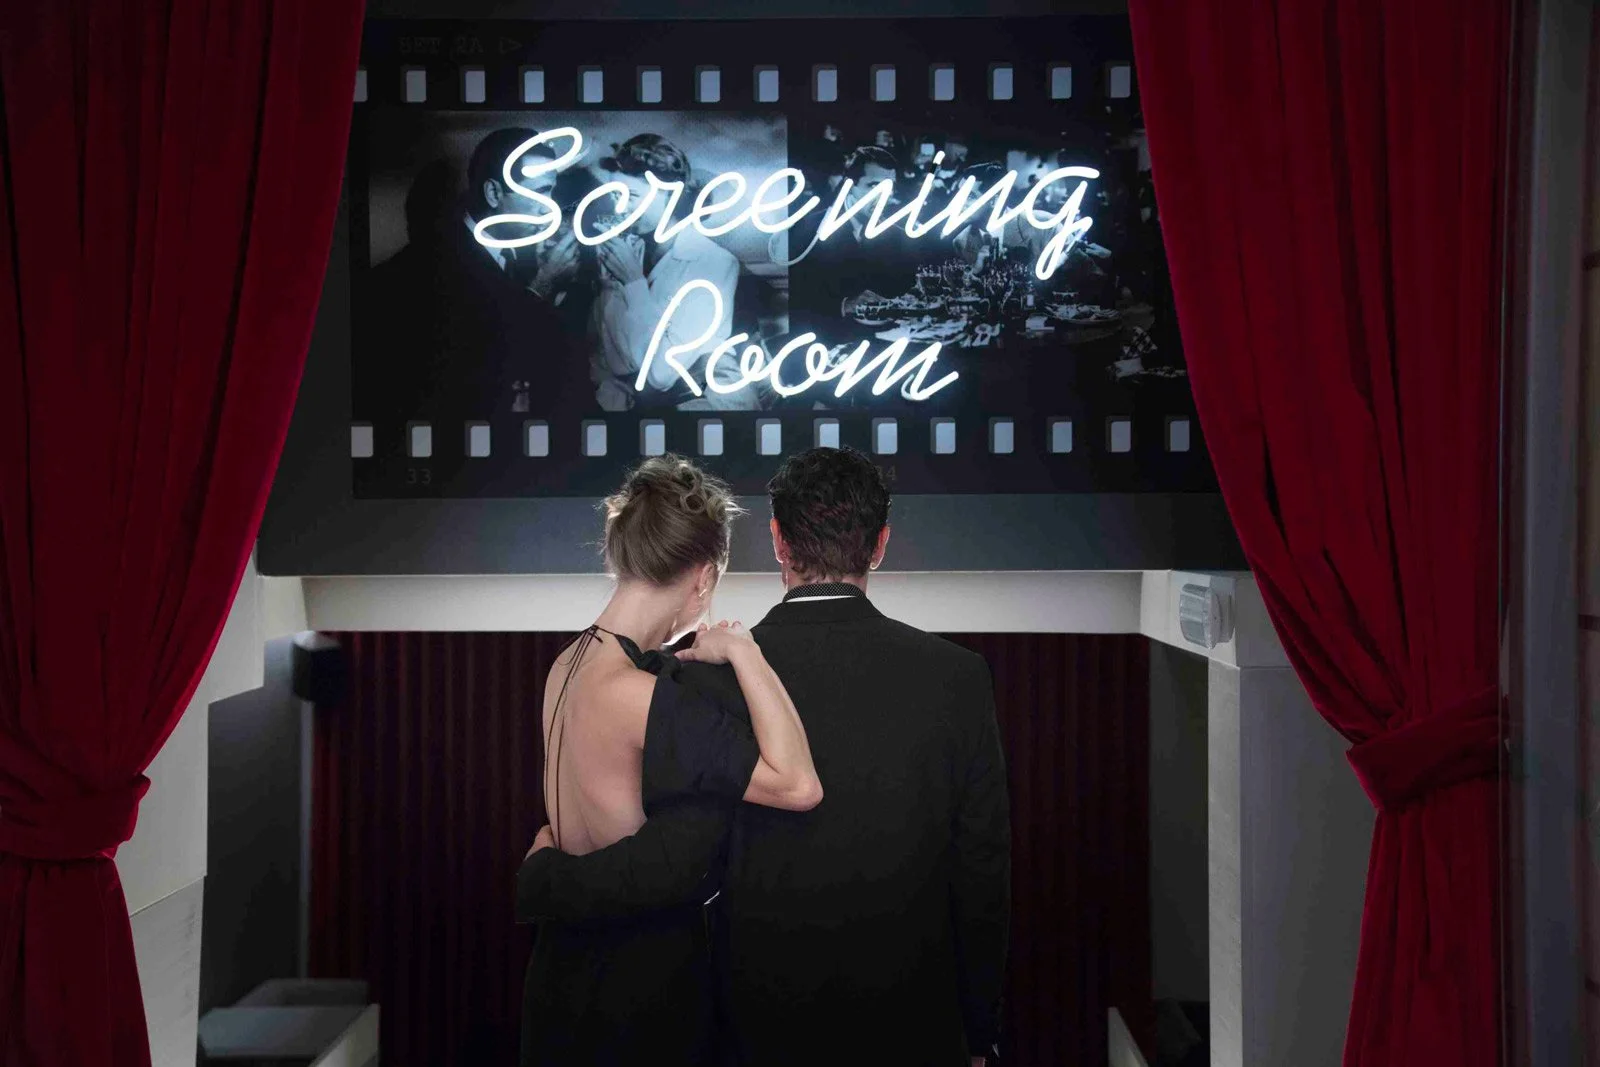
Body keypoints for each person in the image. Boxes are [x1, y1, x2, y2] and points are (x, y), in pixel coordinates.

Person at [516, 446, 1011, 1067]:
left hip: (752, 1028)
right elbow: (982, 871)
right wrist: (978, 1031)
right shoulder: (959, 678)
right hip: (915, 1028)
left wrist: (542, 878)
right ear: (880, 545)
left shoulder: (691, 678)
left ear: (777, 541)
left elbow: (673, 860)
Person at [517, 455, 823, 1067]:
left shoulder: (566, 666)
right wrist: (743, 651)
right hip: (635, 992)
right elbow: (797, 784)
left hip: (557, 978)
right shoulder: (638, 695)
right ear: (703, 578)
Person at [355, 127, 590, 435]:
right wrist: (542, 288)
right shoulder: (430, 265)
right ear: (493, 194)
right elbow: (480, 360)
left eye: (552, 192)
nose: (551, 208)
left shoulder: (522, 255)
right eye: (541, 192)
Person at [584, 134, 748, 412]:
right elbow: (607, 355)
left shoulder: (714, 263)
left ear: (671, 196)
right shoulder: (626, 252)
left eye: (632, 196)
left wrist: (634, 282)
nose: (621, 208)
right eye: (616, 195)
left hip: (695, 408)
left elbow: (660, 375)